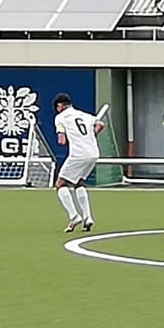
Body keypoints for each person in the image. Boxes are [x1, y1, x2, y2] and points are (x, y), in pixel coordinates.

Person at [52, 94, 102, 232]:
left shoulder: (60, 118)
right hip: (93, 154)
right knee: (79, 182)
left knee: (60, 184)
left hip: (78, 155)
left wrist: (64, 137)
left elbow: (61, 140)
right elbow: (100, 124)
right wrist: (93, 133)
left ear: (60, 106)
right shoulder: (83, 114)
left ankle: (74, 216)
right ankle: (88, 217)